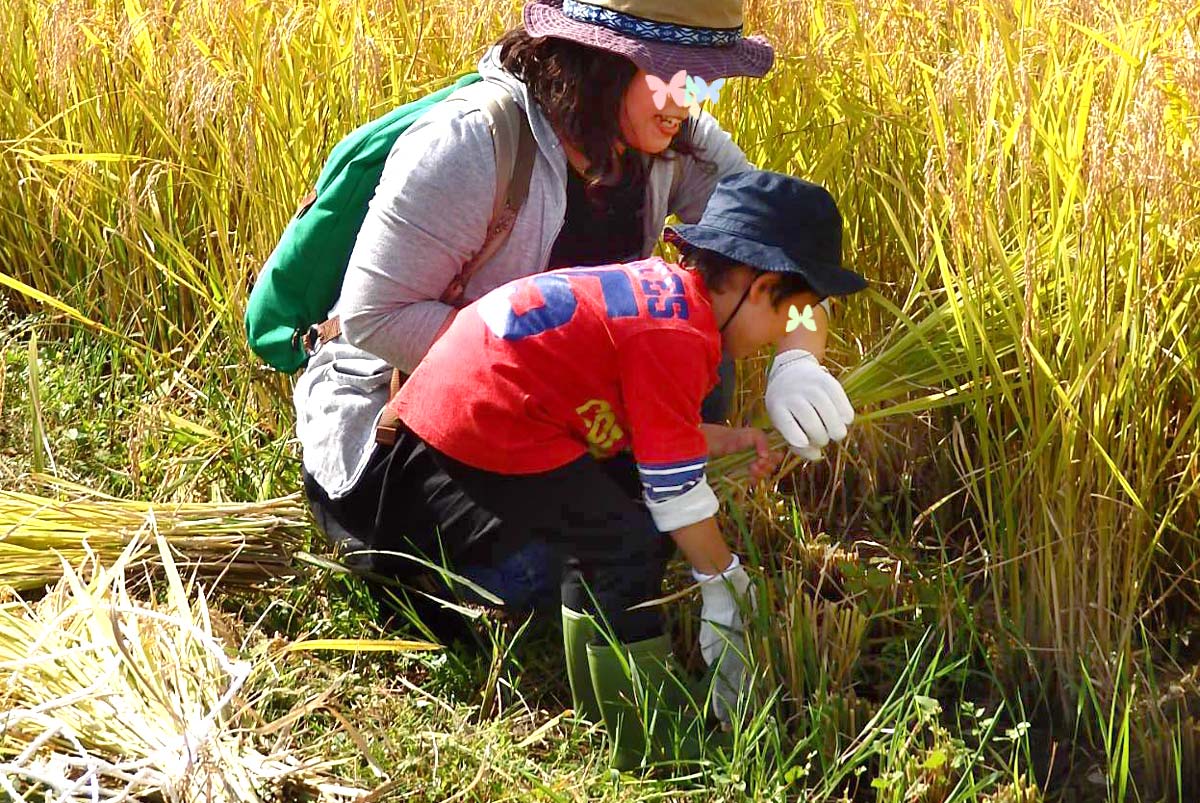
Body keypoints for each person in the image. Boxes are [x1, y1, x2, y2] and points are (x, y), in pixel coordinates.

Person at [294, 0, 856, 613]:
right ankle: (424, 562)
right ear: (600, 58)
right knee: (544, 575)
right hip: (424, 420)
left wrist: (799, 357)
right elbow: (376, 316)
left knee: (698, 354)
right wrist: (554, 373)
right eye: (672, 73)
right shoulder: (473, 144)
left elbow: (780, 264)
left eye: (702, 78)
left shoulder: (676, 144)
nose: (689, 99)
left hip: (576, 418)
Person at [336, 171, 867, 768]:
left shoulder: (664, 293)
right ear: (760, 286)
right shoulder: (679, 336)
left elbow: (644, 421)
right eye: (784, 320)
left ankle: (599, 693)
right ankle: (650, 737)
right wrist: (723, 580)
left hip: (465, 394)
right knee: (631, 542)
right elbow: (673, 489)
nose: (780, 338)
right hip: (488, 416)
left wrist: (731, 434)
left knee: (608, 530)